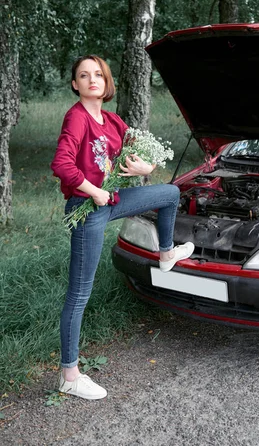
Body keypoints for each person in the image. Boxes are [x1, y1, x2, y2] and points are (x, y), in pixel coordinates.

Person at [51, 55, 194, 400]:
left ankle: (165, 254)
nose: (91, 80)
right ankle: (69, 374)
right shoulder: (77, 118)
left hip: (111, 201)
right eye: (83, 75)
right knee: (79, 293)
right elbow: (62, 164)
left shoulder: (112, 120)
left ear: (106, 81)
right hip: (87, 209)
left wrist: (146, 165)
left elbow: (138, 151)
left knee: (170, 193)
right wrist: (95, 191)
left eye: (97, 74)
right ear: (75, 84)